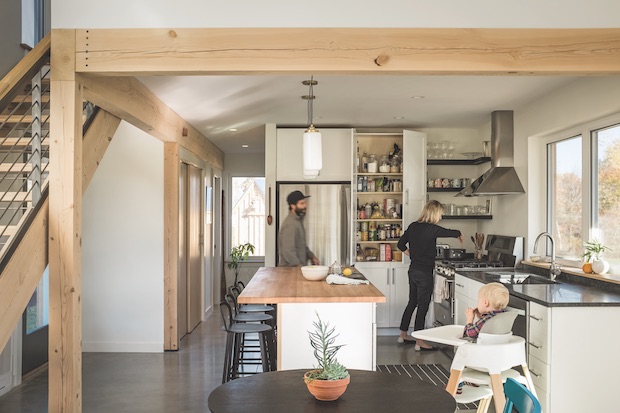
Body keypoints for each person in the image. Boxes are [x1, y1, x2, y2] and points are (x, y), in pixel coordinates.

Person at [396, 200, 463, 350]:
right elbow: (450, 232)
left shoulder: (413, 226)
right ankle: (420, 341)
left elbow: (400, 244)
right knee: (423, 306)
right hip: (424, 273)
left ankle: (403, 334)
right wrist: (459, 234)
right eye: (440, 214)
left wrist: (412, 255)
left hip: (413, 271)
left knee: (412, 302)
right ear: (434, 213)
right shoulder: (432, 229)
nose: (441, 217)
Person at [278, 190, 320, 266]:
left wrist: (312, 256)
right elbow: (288, 251)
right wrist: (299, 267)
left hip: (296, 270)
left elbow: (301, 245)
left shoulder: (297, 221)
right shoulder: (290, 224)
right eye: (302, 203)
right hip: (290, 272)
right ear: (293, 206)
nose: (305, 206)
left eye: (305, 203)